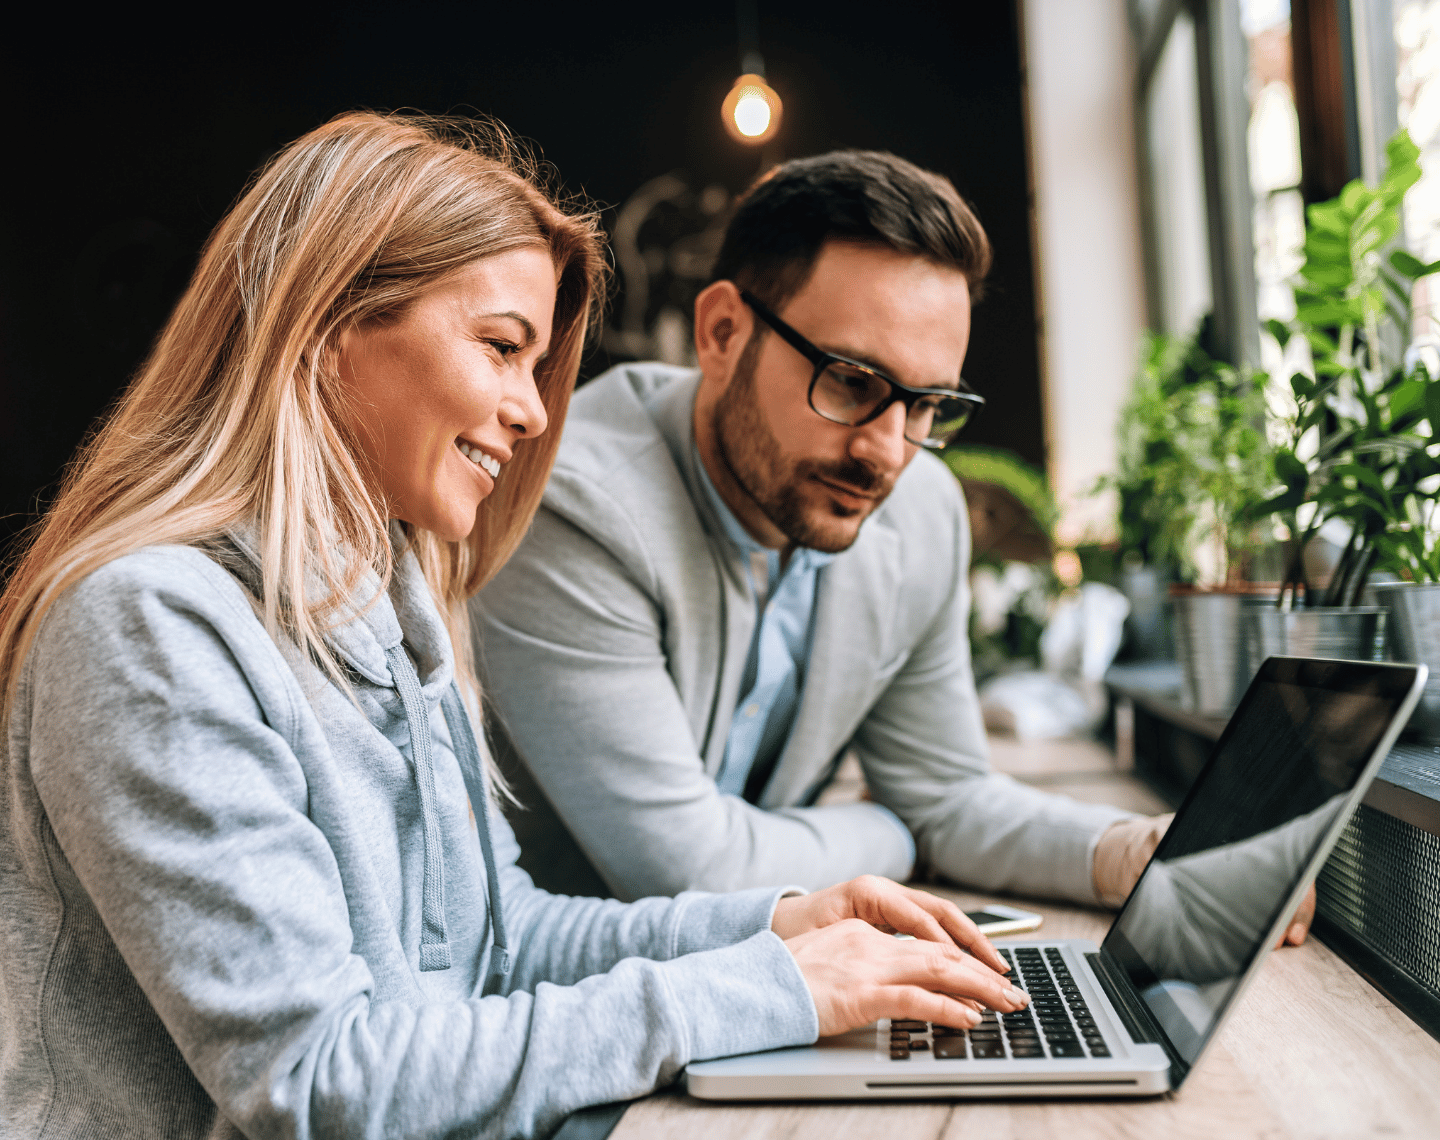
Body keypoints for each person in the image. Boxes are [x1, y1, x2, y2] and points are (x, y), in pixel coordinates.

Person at [0, 114, 1031, 1140]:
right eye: (501, 348)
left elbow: (505, 942)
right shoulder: (151, 630)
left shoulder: (393, 598)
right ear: (324, 329)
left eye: (539, 366)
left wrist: (780, 924)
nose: (537, 411)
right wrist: (764, 986)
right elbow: (317, 1084)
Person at [472, 152, 1299, 933]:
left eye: (928, 403)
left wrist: (1130, 854)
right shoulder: (572, 501)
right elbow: (693, 869)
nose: (886, 450)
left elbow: (948, 797)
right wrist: (895, 832)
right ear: (723, 333)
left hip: (765, 975)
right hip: (567, 1012)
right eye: (852, 382)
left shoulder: (920, 512)